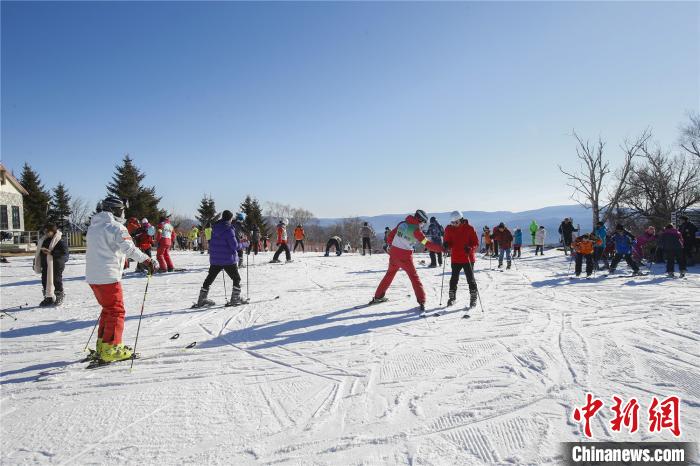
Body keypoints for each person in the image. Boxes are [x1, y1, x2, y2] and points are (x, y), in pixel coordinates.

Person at [86, 196, 156, 363]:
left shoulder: (94, 226)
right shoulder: (116, 227)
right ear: (115, 210)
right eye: (121, 210)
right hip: (108, 276)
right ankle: (112, 348)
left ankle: (103, 345)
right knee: (116, 311)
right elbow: (129, 249)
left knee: (108, 309)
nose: (123, 213)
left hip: (94, 276)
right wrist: (147, 260)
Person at [369, 209, 443, 312]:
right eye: (423, 222)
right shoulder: (417, 230)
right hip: (405, 257)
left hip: (394, 254)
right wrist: (442, 249)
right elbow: (428, 244)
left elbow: (391, 236)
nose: (423, 225)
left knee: (389, 275)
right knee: (414, 278)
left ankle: (378, 296)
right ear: (420, 220)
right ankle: (421, 301)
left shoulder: (402, 224)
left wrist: (391, 245)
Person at [195, 210, 249, 307]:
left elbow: (210, 242)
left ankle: (201, 299)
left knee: (209, 278)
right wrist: (245, 244)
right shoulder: (229, 229)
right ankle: (235, 298)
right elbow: (234, 246)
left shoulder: (214, 228)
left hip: (215, 259)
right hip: (228, 259)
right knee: (236, 278)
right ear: (230, 218)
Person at [443, 211, 479, 308]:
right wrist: (446, 245)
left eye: (456, 222)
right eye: (452, 223)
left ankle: (473, 298)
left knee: (470, 279)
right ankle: (452, 298)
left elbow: (475, 242)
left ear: (461, 220)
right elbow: (448, 241)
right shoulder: (449, 229)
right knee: (453, 279)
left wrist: (470, 248)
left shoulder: (469, 228)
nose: (454, 225)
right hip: (456, 258)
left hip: (468, 258)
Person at [33, 223, 68, 306]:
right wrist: (36, 261)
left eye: (47, 231)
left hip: (56, 264)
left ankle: (59, 296)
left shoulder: (59, 240)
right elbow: (38, 253)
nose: (46, 233)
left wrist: (51, 252)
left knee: (56, 280)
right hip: (45, 264)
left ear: (53, 231)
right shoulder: (44, 240)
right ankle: (48, 297)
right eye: (45, 231)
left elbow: (65, 254)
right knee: (44, 280)